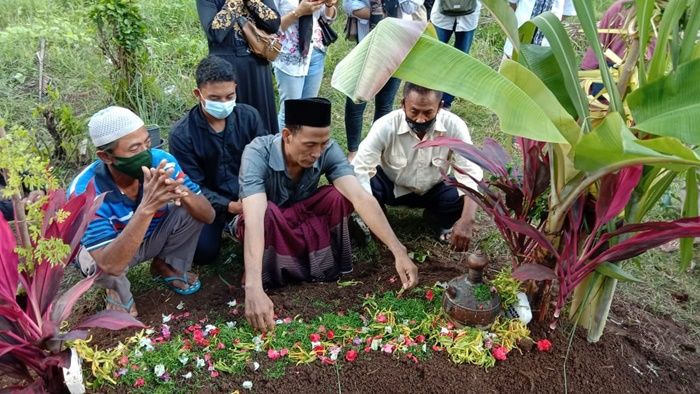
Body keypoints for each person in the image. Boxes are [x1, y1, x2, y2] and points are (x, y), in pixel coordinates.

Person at [236, 97, 418, 331]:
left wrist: (398, 249)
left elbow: (360, 197)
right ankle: (267, 270)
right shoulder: (256, 153)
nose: (317, 153)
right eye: (310, 144)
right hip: (271, 222)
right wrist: (253, 286)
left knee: (338, 196)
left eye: (323, 144)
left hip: (302, 216)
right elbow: (254, 220)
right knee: (267, 214)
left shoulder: (326, 150)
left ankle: (318, 261)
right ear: (287, 135)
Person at [68, 106, 215, 317]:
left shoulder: (161, 160)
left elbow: (207, 215)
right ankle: (116, 289)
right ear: (106, 156)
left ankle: (168, 264)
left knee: (187, 206)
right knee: (99, 262)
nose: (146, 153)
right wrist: (148, 206)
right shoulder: (85, 192)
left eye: (147, 143)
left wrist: (178, 189)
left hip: (149, 237)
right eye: (134, 149)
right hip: (107, 254)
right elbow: (109, 263)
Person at [351, 83, 483, 250]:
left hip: (434, 188)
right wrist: (372, 217)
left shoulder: (455, 126)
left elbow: (471, 172)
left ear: (440, 107)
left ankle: (436, 218)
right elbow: (359, 168)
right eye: (414, 111)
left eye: (428, 112)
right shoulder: (385, 125)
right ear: (403, 104)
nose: (420, 119)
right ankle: (379, 215)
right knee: (361, 183)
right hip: (391, 187)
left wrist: (467, 220)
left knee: (458, 197)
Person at [170, 56, 270, 264]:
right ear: (198, 94)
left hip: (251, 194)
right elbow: (192, 185)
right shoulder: (182, 135)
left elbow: (264, 160)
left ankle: (240, 225)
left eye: (229, 96)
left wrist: (253, 196)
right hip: (210, 205)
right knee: (203, 252)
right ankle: (228, 225)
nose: (224, 104)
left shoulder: (249, 117)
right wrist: (231, 206)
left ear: (236, 89)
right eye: (215, 98)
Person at [343, 0, 424, 161]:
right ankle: (354, 151)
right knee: (356, 99)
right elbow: (349, 5)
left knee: (385, 103)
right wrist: (377, 15)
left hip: (398, 44)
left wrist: (386, 12)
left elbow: (410, 6)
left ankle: (376, 148)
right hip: (369, 44)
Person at [197, 0, 281, 135]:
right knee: (234, 124)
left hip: (258, 68)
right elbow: (215, 33)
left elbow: (274, 24)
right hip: (226, 72)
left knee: (262, 121)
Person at [272, 0, 338, 131]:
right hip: (289, 57)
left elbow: (327, 18)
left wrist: (330, 4)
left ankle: (303, 147)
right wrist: (298, 12)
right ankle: (282, 149)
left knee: (309, 107)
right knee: (290, 112)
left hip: (315, 53)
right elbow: (271, 27)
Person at [430, 0, 481, 109]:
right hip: (441, 16)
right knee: (433, 60)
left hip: (469, 18)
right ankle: (428, 98)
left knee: (459, 64)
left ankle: (446, 103)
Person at [504, 0, 576, 59]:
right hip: (517, 39)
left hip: (546, 45)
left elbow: (567, 11)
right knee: (508, 71)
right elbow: (512, 4)